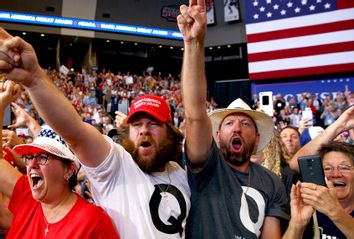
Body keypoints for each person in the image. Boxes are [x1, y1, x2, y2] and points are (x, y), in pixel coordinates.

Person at [0, 27, 190, 239]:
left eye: (154, 124)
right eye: (136, 125)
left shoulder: (183, 176)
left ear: (171, 133)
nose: (144, 130)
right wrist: (34, 80)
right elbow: (76, 132)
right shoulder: (118, 164)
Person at [177, 1, 288, 238]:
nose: (237, 127)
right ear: (217, 136)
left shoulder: (272, 184)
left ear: (257, 138)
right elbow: (196, 115)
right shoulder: (205, 168)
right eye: (228, 123)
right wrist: (194, 43)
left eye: (246, 123)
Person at [0, 80, 119, 238]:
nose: (32, 164)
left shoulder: (93, 222)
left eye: (43, 157)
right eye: (29, 157)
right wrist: (2, 103)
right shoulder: (26, 194)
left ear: (69, 170)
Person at [283, 142, 354, 239]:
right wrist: (297, 224)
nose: (336, 174)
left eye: (344, 168)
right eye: (327, 168)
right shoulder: (311, 211)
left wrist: (334, 211)